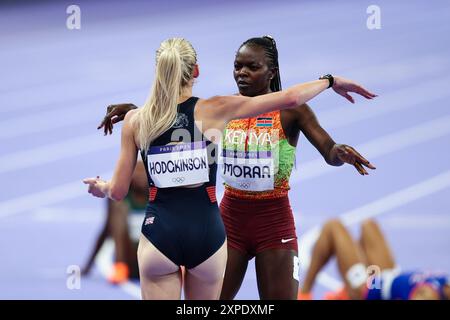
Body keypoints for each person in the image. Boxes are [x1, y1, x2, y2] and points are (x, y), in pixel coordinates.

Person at [98, 36, 376, 300]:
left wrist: (340, 152)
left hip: (274, 221)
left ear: (271, 72)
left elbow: (328, 149)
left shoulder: (291, 112)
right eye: (237, 66)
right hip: (229, 221)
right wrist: (140, 111)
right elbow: (180, 121)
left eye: (252, 67)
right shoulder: (223, 109)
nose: (242, 73)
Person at [298, 218, 450, 300]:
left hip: (369, 290)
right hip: (384, 278)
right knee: (368, 225)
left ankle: (304, 294)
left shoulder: (430, 294)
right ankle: (346, 292)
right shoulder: (443, 282)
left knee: (333, 227)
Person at [82, 161, 147, 284]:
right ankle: (120, 267)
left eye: (143, 172)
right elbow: (107, 230)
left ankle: (178, 266)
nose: (140, 176)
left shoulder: (158, 194)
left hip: (153, 258)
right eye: (136, 172)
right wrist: (88, 266)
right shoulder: (119, 197)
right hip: (130, 258)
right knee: (118, 206)